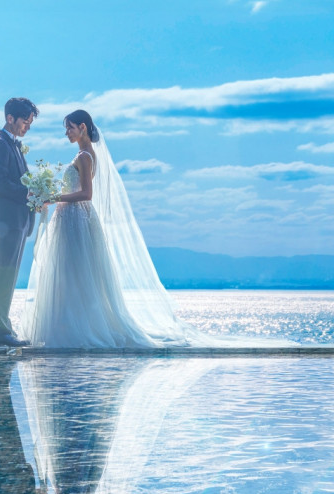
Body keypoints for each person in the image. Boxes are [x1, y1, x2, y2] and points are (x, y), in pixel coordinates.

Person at [21, 110, 203, 348]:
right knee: (68, 275)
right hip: (70, 218)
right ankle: (66, 327)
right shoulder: (82, 155)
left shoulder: (85, 156)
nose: (66, 133)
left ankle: (75, 330)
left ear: (83, 127)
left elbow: (87, 193)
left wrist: (53, 196)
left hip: (76, 219)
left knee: (74, 274)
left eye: (70, 128)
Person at [0, 97, 39, 347]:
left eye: (29, 122)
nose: (27, 126)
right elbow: (0, 185)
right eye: (25, 121)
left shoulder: (15, 146)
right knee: (4, 275)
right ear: (10, 118)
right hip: (7, 221)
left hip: (19, 221)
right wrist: (29, 193)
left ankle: (4, 327)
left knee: (11, 275)